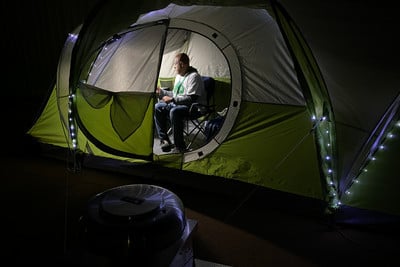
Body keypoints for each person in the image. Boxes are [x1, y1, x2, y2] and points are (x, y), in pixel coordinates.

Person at [154, 53, 206, 153]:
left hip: (194, 108)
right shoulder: (178, 76)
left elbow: (192, 98)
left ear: (182, 64)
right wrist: (161, 92)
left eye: (175, 64)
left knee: (175, 111)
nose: (174, 66)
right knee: (158, 106)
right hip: (179, 105)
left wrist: (172, 100)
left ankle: (180, 147)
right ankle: (165, 140)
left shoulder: (194, 77)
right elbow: (175, 94)